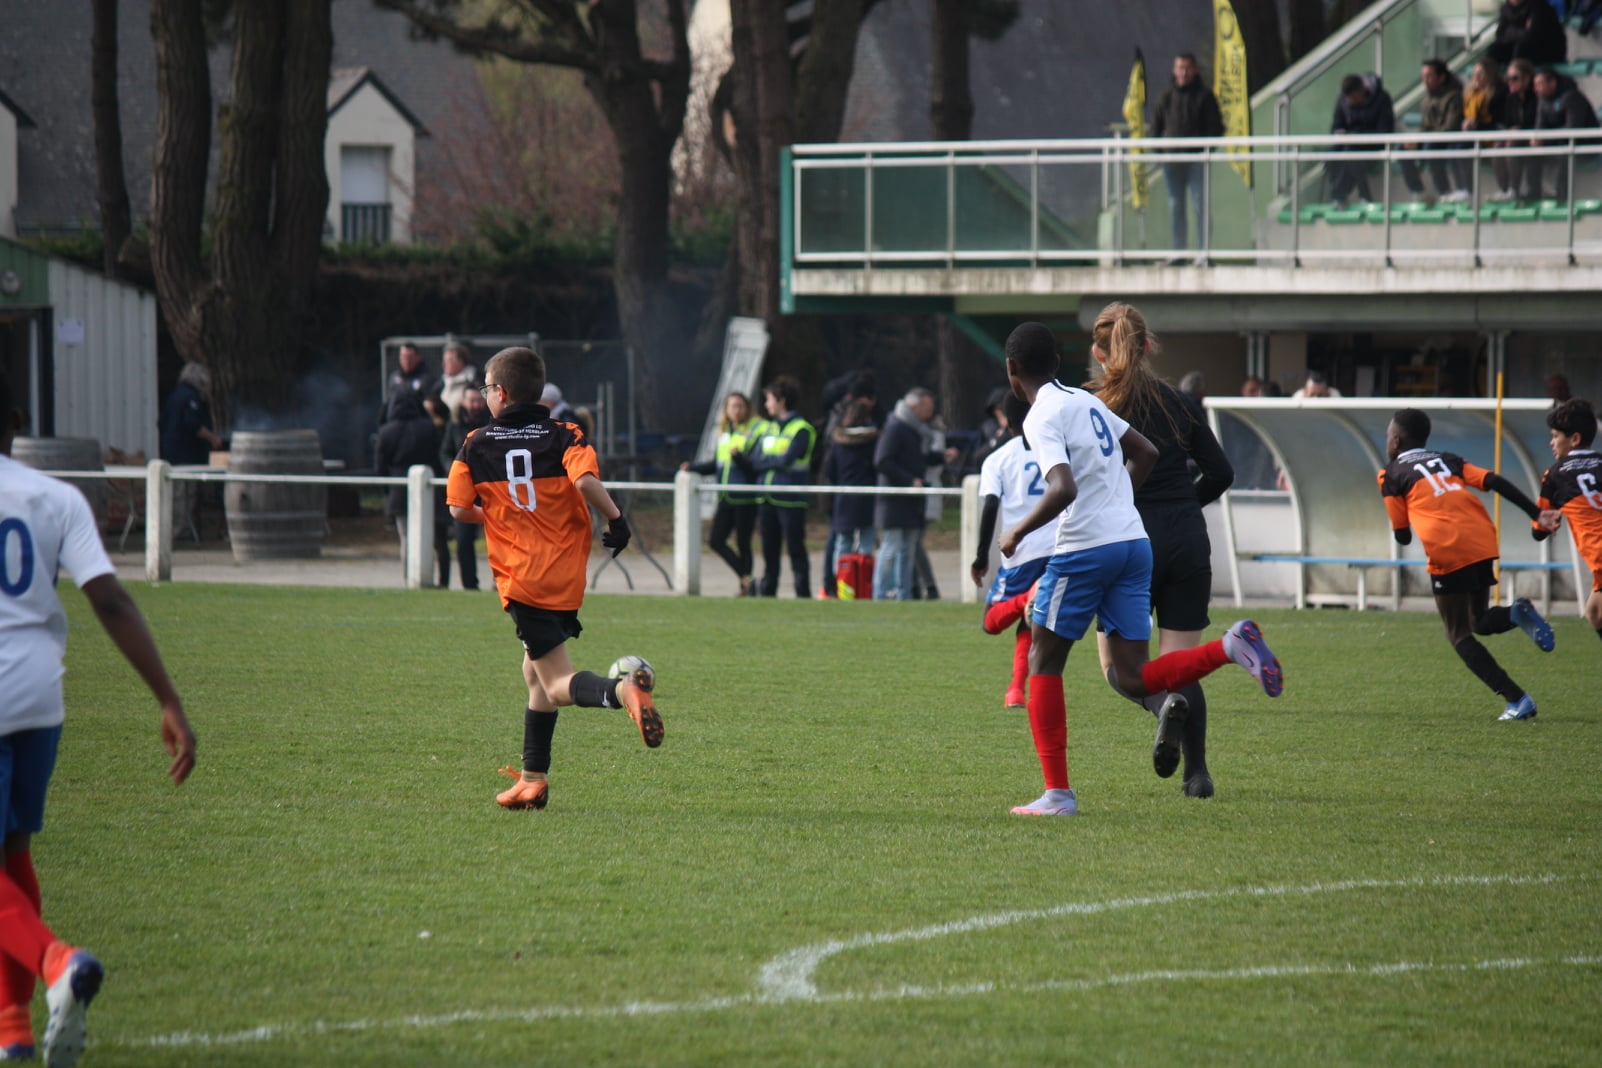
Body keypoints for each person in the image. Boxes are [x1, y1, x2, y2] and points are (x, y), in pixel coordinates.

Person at [997, 321, 1281, 817]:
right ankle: (1228, 647)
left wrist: (1016, 532)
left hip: (1085, 548)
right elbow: (1145, 452)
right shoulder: (1085, 401)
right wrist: (1117, 503)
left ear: (1011, 368)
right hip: (1132, 542)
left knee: (1043, 659)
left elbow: (1062, 488)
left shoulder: (1041, 414)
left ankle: (1057, 795)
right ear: (1057, 363)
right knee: (1130, 674)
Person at [0, 366, 197, 1065]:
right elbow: (110, 599)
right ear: (16, 423)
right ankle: (13, 1030)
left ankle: (58, 963)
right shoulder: (54, 496)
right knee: (13, 853)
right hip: (38, 697)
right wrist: (168, 699)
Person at [445, 347, 662, 812]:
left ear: (501, 393)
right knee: (535, 674)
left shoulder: (476, 443)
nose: (485, 395)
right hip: (565, 576)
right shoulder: (566, 433)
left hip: (524, 579)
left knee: (557, 683)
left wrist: (497, 514)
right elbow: (584, 483)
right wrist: (616, 518)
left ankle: (621, 690)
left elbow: (459, 508)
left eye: (487, 388)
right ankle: (532, 780)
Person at [1086, 303, 1234, 798]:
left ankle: (1160, 705)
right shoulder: (1181, 402)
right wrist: (1184, 505)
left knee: (1115, 666)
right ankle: (1198, 774)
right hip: (1188, 538)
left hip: (1130, 540)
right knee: (1181, 663)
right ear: (1148, 347)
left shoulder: (1095, 407)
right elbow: (1222, 472)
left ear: (1099, 354)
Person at [1378, 407, 1557, 722]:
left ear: (1396, 440)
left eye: (1388, 436)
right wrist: (1536, 513)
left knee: (1457, 633)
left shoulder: (1390, 475)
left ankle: (1518, 699)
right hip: (1482, 537)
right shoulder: (1448, 460)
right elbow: (1493, 480)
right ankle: (1514, 613)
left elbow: (1402, 535)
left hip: (1448, 546)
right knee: (1479, 620)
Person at [970, 391, 1056, 709]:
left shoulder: (999, 458)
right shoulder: (1058, 449)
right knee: (1030, 624)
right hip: (1058, 548)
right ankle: (1015, 690)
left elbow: (991, 505)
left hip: (1023, 551)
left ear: (1007, 421)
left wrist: (981, 557)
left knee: (990, 622)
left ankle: (1023, 599)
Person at [739, 376, 815, 599]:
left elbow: (787, 460)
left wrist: (767, 460)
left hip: (790, 498)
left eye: (770, 400)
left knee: (795, 549)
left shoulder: (802, 429)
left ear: (782, 401)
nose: (766, 405)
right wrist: (773, 459)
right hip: (766, 497)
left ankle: (803, 594)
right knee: (769, 550)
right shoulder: (769, 428)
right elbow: (754, 460)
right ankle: (768, 593)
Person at [1534, 398, 1602, 641]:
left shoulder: (1555, 475)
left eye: (1555, 436)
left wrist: (1550, 520)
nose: (1551, 442)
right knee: (1595, 613)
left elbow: (1538, 531)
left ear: (1574, 439)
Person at [681, 392, 761, 596]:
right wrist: (693, 467)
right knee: (716, 541)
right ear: (726, 410)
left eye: (741, 406)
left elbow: (754, 468)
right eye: (733, 406)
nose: (737, 410)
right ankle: (746, 577)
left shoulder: (751, 433)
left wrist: (739, 457)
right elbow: (717, 465)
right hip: (726, 497)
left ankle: (746, 586)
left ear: (747, 409)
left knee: (743, 542)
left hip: (744, 497)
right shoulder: (725, 434)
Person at [1150, 52, 1225, 261]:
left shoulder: (1205, 97)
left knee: (1200, 205)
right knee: (1175, 207)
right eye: (1180, 68)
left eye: (1187, 68)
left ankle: (1203, 252)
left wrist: (1204, 150)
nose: (1183, 73)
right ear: (1174, 71)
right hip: (1172, 162)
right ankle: (1178, 252)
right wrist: (1161, 154)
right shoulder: (1166, 98)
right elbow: (1154, 130)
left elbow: (1216, 128)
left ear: (1195, 70)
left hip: (1197, 162)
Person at [375, 389, 451, 588]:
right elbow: (438, 458)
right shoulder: (429, 428)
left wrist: (387, 491)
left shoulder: (386, 432)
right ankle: (440, 580)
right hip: (429, 488)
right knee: (435, 538)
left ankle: (410, 579)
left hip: (398, 490)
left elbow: (380, 467)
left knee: (406, 538)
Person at [874, 387, 944, 601]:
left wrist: (940, 457)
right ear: (914, 407)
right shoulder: (896, 428)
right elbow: (883, 460)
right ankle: (880, 594)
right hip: (894, 500)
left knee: (908, 550)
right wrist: (909, 480)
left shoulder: (915, 430)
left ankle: (903, 594)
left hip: (912, 501)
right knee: (891, 548)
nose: (930, 414)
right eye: (927, 408)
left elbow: (917, 458)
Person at [820, 375, 880, 596]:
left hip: (844, 497)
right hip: (867, 497)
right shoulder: (873, 440)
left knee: (842, 543)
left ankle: (842, 584)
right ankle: (863, 584)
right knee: (866, 542)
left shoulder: (838, 442)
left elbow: (830, 471)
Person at [439, 382, 492, 591]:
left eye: (479, 400)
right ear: (463, 401)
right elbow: (445, 452)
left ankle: (501, 581)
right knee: (463, 540)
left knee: (499, 536)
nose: (476, 405)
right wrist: (455, 472)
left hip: (489, 486)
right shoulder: (454, 423)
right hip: (465, 488)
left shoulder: (492, 421)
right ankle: (470, 585)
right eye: (472, 401)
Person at [1402, 59, 1470, 202]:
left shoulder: (1454, 96)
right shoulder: (1427, 100)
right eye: (1423, 76)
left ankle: (1444, 192)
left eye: (1429, 76)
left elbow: (1450, 127)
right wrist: (1416, 140)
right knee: (1402, 148)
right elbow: (1425, 126)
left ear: (1441, 77)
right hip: (1431, 138)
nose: (1425, 80)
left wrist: (1425, 138)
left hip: (1449, 140)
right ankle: (1417, 190)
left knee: (1430, 147)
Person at [1530, 69, 1599, 202]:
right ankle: (1533, 193)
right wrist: (1538, 139)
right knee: (1530, 150)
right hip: (1558, 143)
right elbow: (1540, 127)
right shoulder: (1543, 101)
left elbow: (1573, 128)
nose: (1536, 89)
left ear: (1552, 83)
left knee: (1565, 151)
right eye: (1535, 85)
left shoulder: (1572, 97)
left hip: (1585, 145)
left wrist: (1547, 139)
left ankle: (1562, 197)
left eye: (1539, 84)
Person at [1329, 73, 1396, 206]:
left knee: (1351, 153)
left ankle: (1354, 195)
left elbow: (1385, 131)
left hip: (1374, 144)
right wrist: (1340, 132)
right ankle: (1341, 194)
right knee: (1332, 153)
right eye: (1349, 99)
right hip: (1349, 144)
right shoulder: (1343, 100)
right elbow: (1336, 125)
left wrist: (1357, 135)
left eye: (1354, 99)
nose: (1351, 103)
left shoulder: (1382, 98)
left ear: (1362, 91)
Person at [1491, 59, 1540, 201]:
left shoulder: (1536, 97)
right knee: (1498, 145)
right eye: (1508, 78)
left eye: (1514, 78)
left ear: (1527, 79)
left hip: (1534, 139)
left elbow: (1539, 122)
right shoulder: (1511, 99)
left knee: (1511, 143)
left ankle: (1514, 190)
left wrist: (1520, 130)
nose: (1510, 82)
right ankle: (1504, 189)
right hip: (1517, 138)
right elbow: (1506, 122)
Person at [158, 361, 224, 465]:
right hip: (187, 455)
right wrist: (212, 438)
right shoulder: (191, 397)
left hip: (169, 453)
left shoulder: (173, 396)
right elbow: (193, 423)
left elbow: (161, 423)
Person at [1486, 0, 1567, 67]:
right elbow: (1500, 34)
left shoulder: (1538, 6)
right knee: (1494, 49)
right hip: (1519, 47)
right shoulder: (1506, 8)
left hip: (1547, 51)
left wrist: (1510, 31)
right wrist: (1523, 31)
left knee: (1521, 49)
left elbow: (1533, 36)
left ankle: (1517, 79)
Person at [385, 341, 440, 420]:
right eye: (403, 357)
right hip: (395, 421)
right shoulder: (394, 378)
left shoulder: (427, 379)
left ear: (418, 357)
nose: (407, 361)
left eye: (410, 357)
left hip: (418, 422)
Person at [438, 341, 477, 420]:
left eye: (450, 360)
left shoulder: (473, 381)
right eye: (444, 361)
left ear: (461, 361)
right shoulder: (441, 382)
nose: (445, 364)